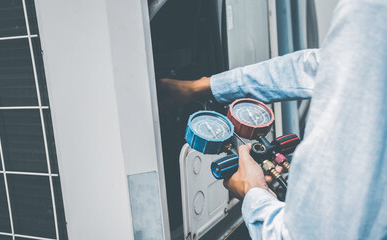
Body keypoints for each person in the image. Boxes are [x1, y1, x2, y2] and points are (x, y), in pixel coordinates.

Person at [160, 0, 387, 239]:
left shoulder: (371, 9)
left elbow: (309, 234)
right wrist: (207, 86)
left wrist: (253, 193)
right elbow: (318, 66)